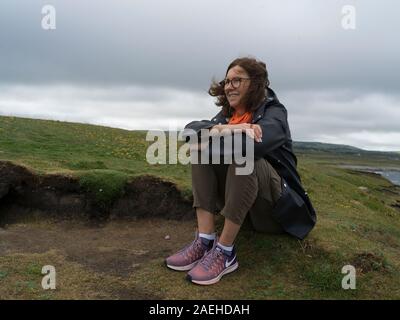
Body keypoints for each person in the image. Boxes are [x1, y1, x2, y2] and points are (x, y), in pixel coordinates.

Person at [165, 57, 316, 286]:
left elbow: (253, 146)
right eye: (227, 81)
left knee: (241, 153)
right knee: (201, 150)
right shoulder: (228, 116)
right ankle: (205, 240)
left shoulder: (275, 113)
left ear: (255, 83)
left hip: (275, 211)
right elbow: (189, 133)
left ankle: (225, 252)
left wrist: (212, 137)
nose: (229, 86)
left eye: (237, 80)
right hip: (245, 208)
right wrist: (224, 128)